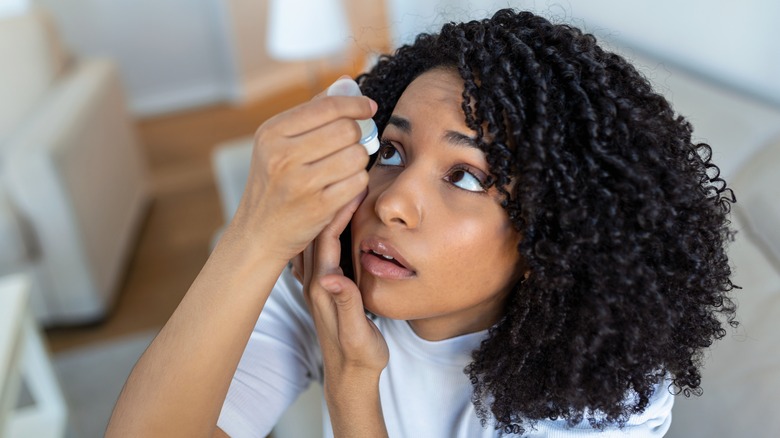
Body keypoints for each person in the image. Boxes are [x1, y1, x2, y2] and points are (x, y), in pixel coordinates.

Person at [107, 8, 738, 437]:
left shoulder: (601, 386)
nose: (391, 202)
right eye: (391, 152)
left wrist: (352, 385)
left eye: (465, 175)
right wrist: (252, 235)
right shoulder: (332, 274)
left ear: (555, 232)